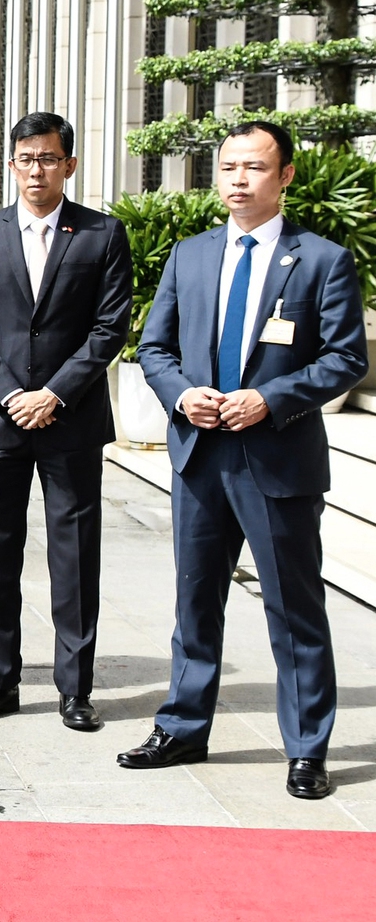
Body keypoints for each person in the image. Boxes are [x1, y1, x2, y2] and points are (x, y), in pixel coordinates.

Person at [122, 121, 365, 800]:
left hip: (276, 458)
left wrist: (270, 398)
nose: (237, 180)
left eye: (254, 168)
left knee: (294, 609)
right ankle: (184, 725)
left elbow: (346, 357)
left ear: (285, 176)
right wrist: (179, 396)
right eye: (227, 167)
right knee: (195, 600)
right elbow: (156, 349)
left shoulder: (320, 260)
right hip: (200, 455)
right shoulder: (190, 255)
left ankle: (307, 747)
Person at [0, 112, 132, 732]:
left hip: (71, 421)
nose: (36, 170)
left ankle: (74, 689)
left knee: (75, 556)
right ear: (11, 164)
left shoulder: (102, 236)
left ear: (69, 165)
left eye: (49, 159)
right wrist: (10, 396)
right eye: (26, 159)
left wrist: (53, 393)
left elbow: (109, 328)